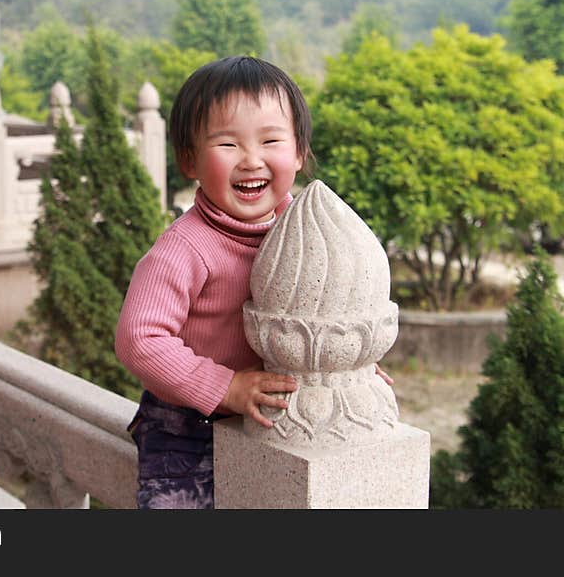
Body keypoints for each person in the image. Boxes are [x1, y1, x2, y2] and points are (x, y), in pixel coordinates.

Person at [115, 56, 390, 509]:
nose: (251, 160)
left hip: (269, 412)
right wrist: (225, 388)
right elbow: (139, 339)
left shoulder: (302, 229)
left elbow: (322, 309)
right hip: (186, 427)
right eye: (227, 144)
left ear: (299, 152)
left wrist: (346, 365)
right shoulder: (185, 248)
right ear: (189, 159)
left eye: (271, 140)